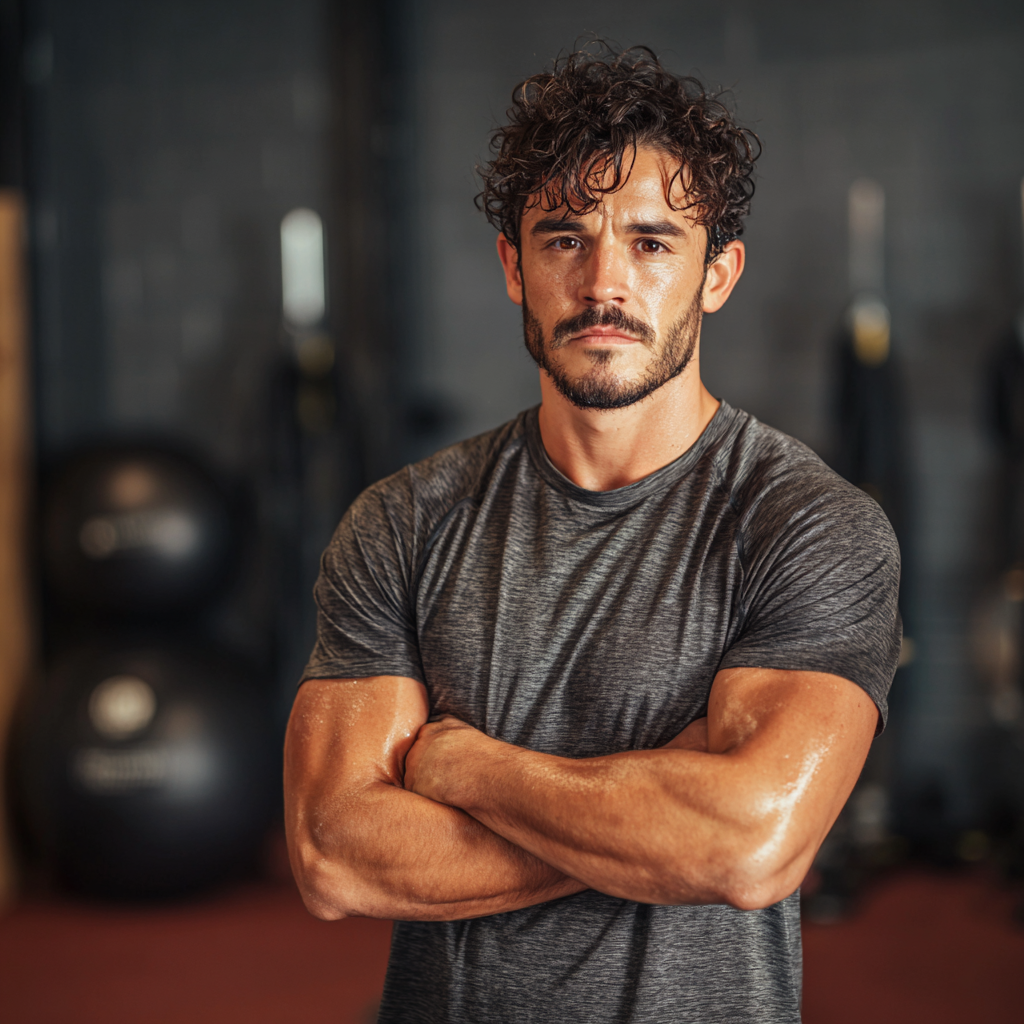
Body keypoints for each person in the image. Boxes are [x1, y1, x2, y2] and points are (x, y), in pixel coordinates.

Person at [284, 44, 901, 1024]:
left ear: (718, 274)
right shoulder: (403, 522)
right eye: (563, 238)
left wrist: (461, 767)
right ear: (512, 265)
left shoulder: (805, 524)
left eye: (653, 243)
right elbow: (334, 854)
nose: (603, 281)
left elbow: (745, 849)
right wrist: (661, 811)